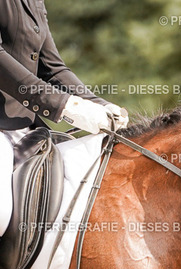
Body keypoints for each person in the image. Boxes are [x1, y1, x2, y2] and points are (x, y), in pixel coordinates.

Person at [0, 0, 128, 237]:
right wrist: (64, 105)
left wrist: (98, 105)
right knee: (1, 212)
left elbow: (52, 68)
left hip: (26, 128)